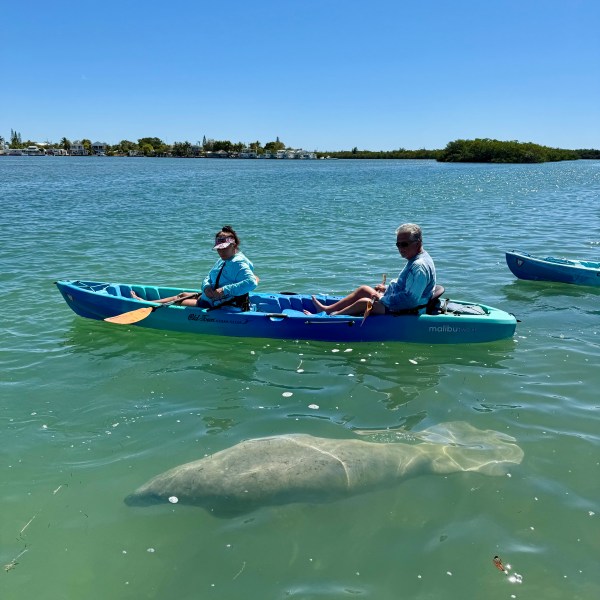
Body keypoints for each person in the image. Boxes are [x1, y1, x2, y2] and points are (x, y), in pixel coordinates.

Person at [307, 223, 436, 316]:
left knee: (364, 303)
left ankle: (332, 317)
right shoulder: (417, 258)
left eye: (404, 244)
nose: (400, 248)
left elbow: (410, 300)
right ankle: (327, 309)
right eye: (398, 244)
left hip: (407, 309)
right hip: (398, 301)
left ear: (418, 243)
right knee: (363, 289)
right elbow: (407, 287)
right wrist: (386, 290)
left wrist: (382, 298)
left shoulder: (419, 266)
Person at [131, 225, 257, 309]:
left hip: (221, 305)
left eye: (224, 248)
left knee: (178, 300)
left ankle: (145, 304)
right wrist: (207, 287)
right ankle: (146, 303)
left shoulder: (238, 263)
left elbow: (251, 282)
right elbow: (209, 276)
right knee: (182, 295)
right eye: (219, 249)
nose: (221, 252)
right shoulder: (223, 259)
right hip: (211, 298)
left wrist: (224, 290)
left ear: (233, 246)